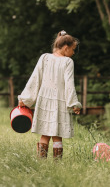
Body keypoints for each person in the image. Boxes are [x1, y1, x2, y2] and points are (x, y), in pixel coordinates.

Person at [18, 30, 82, 159]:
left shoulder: (44, 58)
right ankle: (57, 164)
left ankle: (42, 163)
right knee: (57, 135)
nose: (73, 53)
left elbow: (35, 78)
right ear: (65, 48)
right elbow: (69, 84)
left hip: (45, 100)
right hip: (60, 101)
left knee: (45, 134)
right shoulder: (68, 62)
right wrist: (74, 104)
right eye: (73, 49)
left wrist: (25, 98)